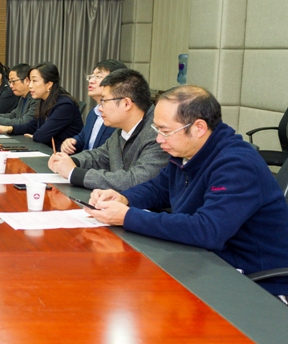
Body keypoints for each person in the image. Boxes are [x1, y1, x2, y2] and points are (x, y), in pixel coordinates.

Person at [86, 85, 288, 298]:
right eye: (157, 130)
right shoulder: (186, 151)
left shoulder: (237, 164)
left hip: (257, 283)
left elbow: (208, 230)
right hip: (207, 261)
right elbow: (159, 188)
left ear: (199, 128)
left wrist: (127, 217)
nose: (159, 139)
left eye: (165, 131)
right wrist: (124, 198)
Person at [48, 69, 168, 191]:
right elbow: (100, 156)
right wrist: (69, 161)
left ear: (126, 104)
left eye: (104, 101)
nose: (100, 108)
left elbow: (136, 180)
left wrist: (74, 173)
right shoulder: (121, 130)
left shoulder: (158, 134)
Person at [0, 62, 83, 151]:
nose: (30, 85)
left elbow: (42, 135)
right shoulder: (44, 100)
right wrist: (9, 129)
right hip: (47, 151)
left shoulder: (64, 105)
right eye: (30, 81)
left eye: (34, 81)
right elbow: (31, 126)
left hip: (63, 156)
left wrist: (35, 136)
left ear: (49, 84)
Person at [61, 59, 127, 155]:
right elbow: (83, 138)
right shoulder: (94, 112)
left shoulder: (119, 117)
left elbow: (107, 155)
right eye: (91, 76)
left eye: (98, 76)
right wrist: (72, 141)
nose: (91, 81)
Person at [0, 63, 39, 127]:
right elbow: (13, 115)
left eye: (13, 81)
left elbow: (24, 122)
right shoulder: (23, 97)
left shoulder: (36, 99)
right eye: (10, 82)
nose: (11, 86)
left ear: (26, 81)